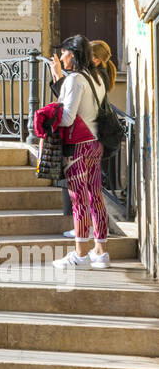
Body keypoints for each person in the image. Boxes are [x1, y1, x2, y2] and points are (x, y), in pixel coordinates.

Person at [51, 34, 110, 270]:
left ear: (72, 54)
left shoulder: (75, 79)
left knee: (79, 201)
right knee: (96, 197)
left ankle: (80, 255)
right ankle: (101, 253)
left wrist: (48, 117)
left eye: (64, 52)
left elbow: (67, 118)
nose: (61, 56)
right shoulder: (96, 78)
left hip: (78, 146)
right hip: (95, 143)